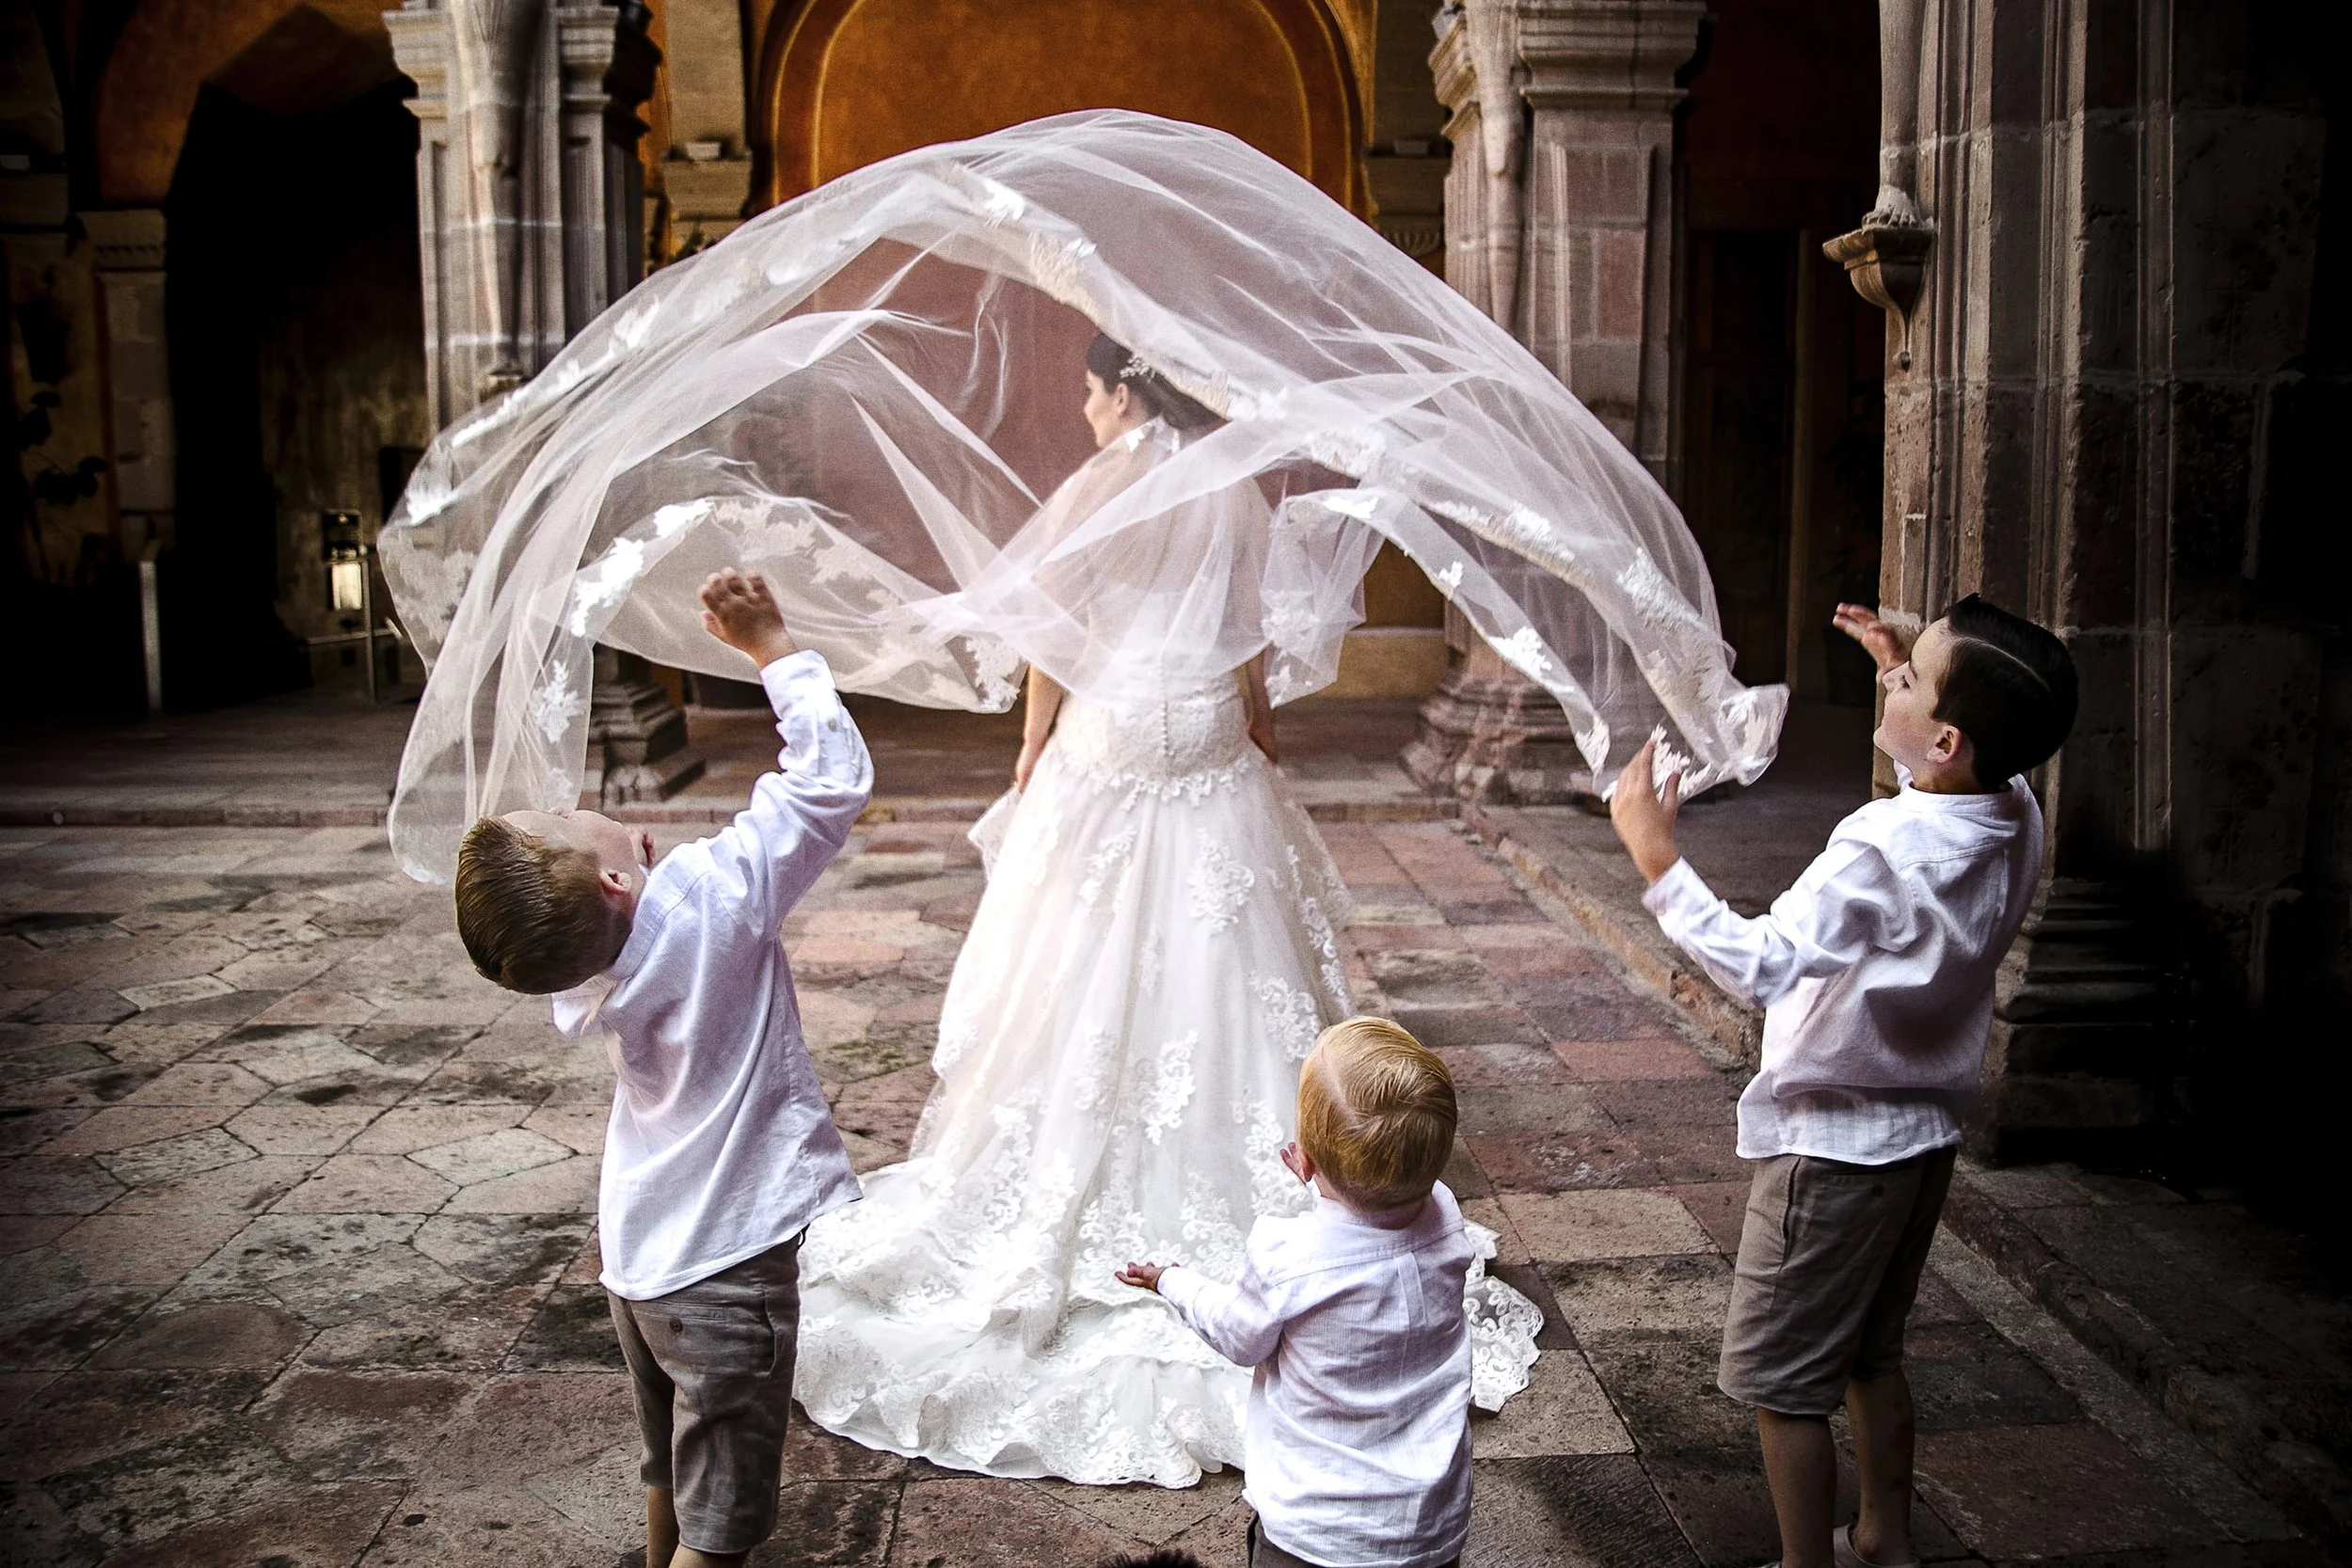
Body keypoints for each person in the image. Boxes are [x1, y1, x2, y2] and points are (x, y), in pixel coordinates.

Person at [789, 338, 1540, 1489]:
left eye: (1089, 390)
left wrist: (1033, 747)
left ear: (1125, 388)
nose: (1084, 412)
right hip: (1202, 734)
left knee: (1081, 964)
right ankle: (1299, 1183)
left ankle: (1085, 1198)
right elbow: (1244, 629)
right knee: (1226, 957)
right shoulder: (1230, 484)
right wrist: (1257, 730)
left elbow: (1055, 633)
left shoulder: (1103, 484)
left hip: (1113, 737)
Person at [1606, 595, 2077, 1568]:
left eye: (1906, 676)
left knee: (1783, 1384)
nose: (1889, 674)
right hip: (1921, 1140)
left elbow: (1763, 960)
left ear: (1945, 738)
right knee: (1872, 1351)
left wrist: (1656, 856)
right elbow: (1962, 755)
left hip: (1833, 1151)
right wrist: (1917, 672)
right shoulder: (2016, 810)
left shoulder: (1881, 846)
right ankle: (1884, 1535)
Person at [453, 568, 872, 1568]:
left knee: (665, 1468)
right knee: (721, 1528)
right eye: (573, 816)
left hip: (639, 1259)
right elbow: (828, 782)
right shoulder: (709, 903)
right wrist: (773, 647)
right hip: (726, 1269)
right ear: (613, 875)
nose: (584, 804)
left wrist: (629, 862)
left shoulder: (583, 973)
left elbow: (610, 910)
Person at [1119, 1018, 1477, 1568]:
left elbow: (1241, 1338)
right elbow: (1379, 1223)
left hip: (1314, 1533)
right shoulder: (1446, 1219)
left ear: (1303, 1161)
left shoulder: (1288, 1257)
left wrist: (1173, 1281)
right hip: (1427, 1528)